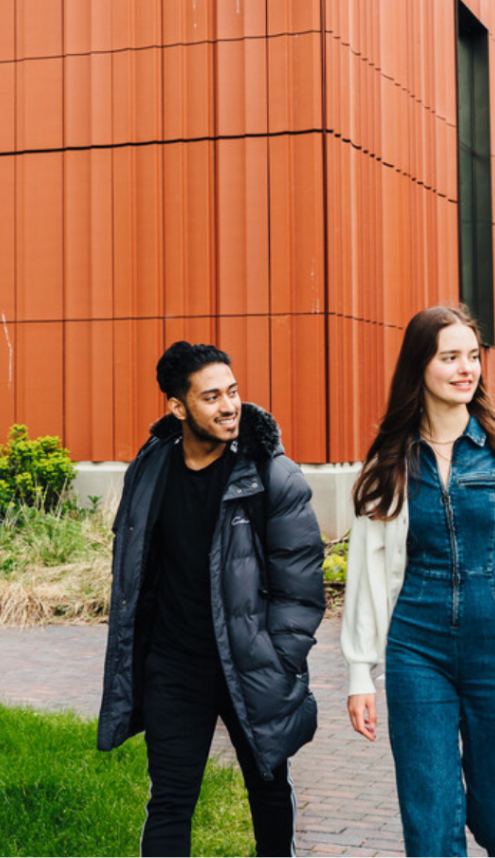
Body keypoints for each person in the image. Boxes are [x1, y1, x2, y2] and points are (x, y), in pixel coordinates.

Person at [341, 305, 495, 857]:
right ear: (420, 365)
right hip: (417, 649)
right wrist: (358, 671)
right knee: (430, 818)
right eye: (450, 357)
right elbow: (367, 569)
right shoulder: (389, 460)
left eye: (473, 356)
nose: (466, 368)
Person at [97, 341, 326, 857]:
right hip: (175, 666)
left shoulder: (270, 473)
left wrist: (280, 658)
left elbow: (301, 581)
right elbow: (135, 566)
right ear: (178, 408)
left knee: (267, 787)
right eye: (211, 397)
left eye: (233, 391)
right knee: (171, 800)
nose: (229, 406)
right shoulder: (151, 468)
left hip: (250, 663)